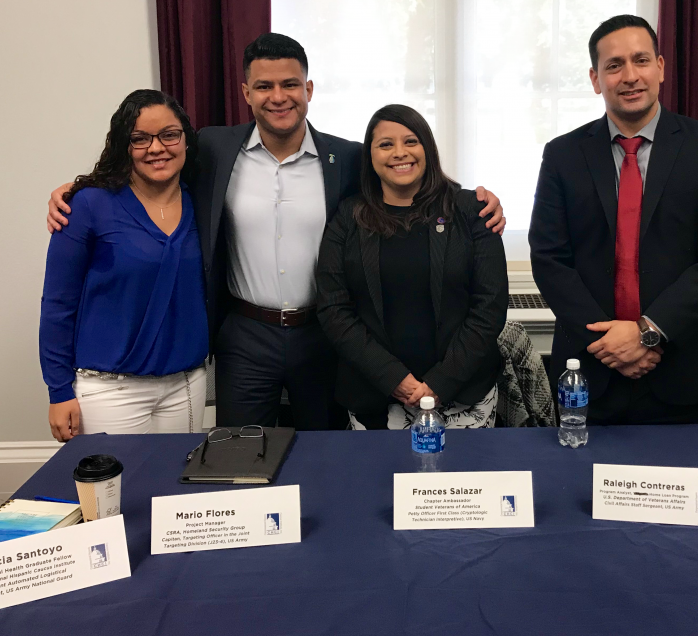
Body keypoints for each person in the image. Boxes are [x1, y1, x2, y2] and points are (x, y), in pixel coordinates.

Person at [46, 33, 505, 431]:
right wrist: (81, 188)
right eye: (264, 86)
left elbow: (406, 171)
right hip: (245, 334)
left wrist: (475, 201)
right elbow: (153, 166)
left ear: (308, 89)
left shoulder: (345, 158)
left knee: (326, 456)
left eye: (289, 84)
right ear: (246, 91)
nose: (278, 96)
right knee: (240, 459)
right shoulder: (211, 148)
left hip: (325, 334)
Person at [529, 14, 698, 425]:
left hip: (687, 375)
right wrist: (611, 342)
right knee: (580, 489)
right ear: (596, 79)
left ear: (661, 67)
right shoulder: (563, 154)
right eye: (614, 66)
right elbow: (549, 258)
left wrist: (648, 331)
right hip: (591, 374)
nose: (630, 75)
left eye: (641, 60)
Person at [316, 105, 508, 429]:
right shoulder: (347, 218)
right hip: (375, 398)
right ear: (370, 155)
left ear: (427, 149)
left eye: (411, 141)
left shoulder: (471, 211)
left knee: (463, 482)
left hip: (463, 396)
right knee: (377, 480)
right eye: (385, 144)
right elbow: (334, 309)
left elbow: (489, 308)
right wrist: (397, 380)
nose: (399, 153)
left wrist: (439, 383)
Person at [40, 90, 208, 441]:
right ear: (122, 145)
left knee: (173, 491)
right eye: (140, 139)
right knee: (113, 495)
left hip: (186, 385)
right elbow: (58, 304)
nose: (157, 148)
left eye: (169, 135)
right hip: (110, 390)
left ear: (186, 140)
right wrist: (58, 390)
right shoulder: (87, 205)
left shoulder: (204, 202)